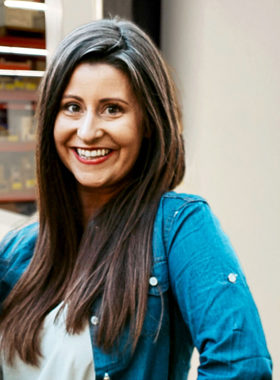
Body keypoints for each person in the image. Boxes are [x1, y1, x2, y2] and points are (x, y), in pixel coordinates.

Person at [0, 18, 272, 380]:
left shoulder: (178, 228)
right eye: (72, 107)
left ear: (147, 124)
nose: (88, 131)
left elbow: (243, 366)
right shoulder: (19, 250)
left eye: (112, 108)